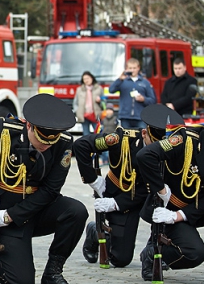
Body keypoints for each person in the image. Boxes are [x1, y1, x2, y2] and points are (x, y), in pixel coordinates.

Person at [0, 94, 88, 284]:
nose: (46, 146)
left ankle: (53, 274)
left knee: (76, 211)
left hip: (32, 210)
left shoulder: (63, 142)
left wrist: (10, 215)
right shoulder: (5, 132)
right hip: (6, 212)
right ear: (29, 126)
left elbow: (51, 190)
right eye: (41, 140)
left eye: (50, 143)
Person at [136, 98, 204, 284]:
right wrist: (161, 189)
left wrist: (182, 215)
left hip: (195, 209)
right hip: (169, 209)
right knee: (195, 254)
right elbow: (146, 155)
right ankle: (154, 254)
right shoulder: (185, 139)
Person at [74, 104, 184, 268]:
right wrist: (94, 181)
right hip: (121, 195)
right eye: (153, 145)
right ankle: (94, 232)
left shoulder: (172, 148)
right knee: (121, 258)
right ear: (145, 133)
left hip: (150, 198)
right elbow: (81, 145)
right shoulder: (122, 139)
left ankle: (154, 250)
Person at [110, 58, 156, 129]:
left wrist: (144, 99)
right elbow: (111, 90)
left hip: (140, 117)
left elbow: (153, 100)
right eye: (130, 68)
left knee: (141, 138)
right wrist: (119, 79)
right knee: (126, 139)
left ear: (138, 68)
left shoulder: (145, 82)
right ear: (127, 69)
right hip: (125, 116)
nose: (132, 70)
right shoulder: (122, 81)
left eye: (134, 68)